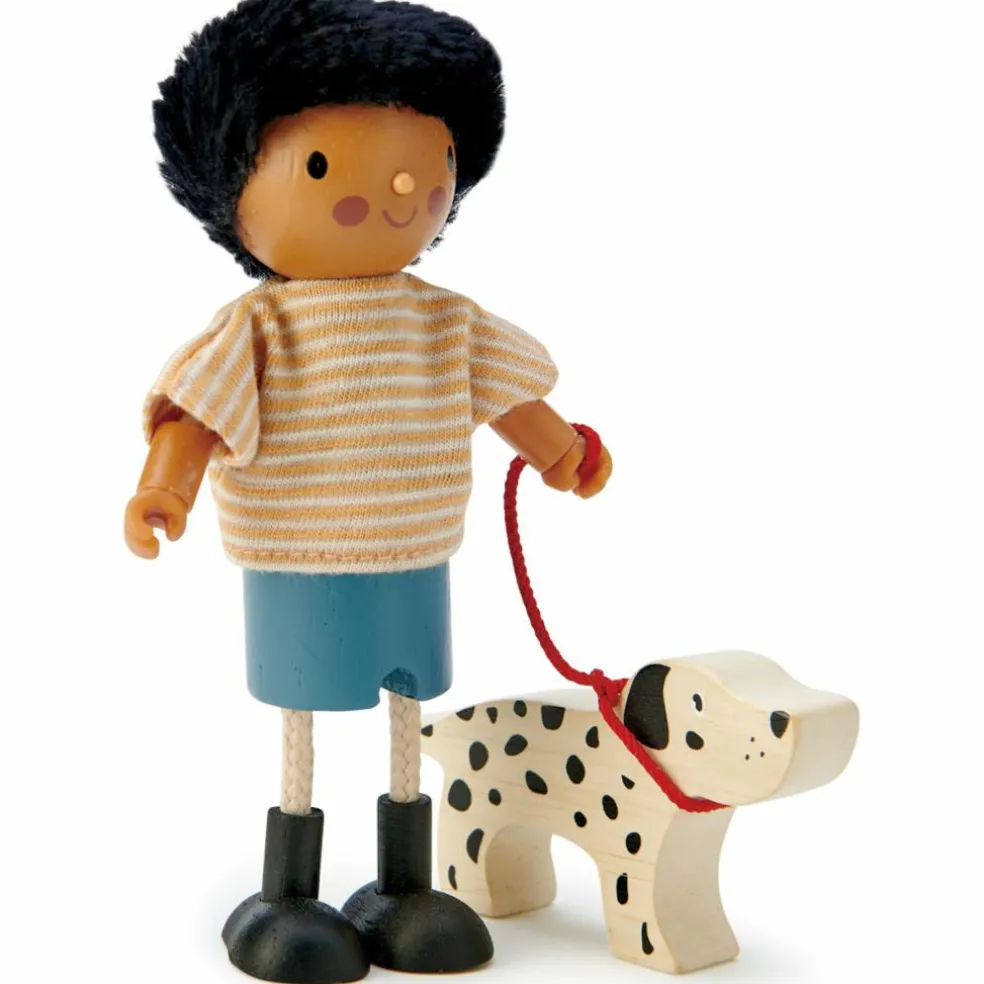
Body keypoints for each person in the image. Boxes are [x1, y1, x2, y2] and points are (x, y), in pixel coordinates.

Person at [124, 1, 612, 980]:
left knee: (405, 713)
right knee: (300, 720)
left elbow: (504, 393)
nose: (394, 193)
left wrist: (559, 452)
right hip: (295, 561)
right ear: (233, 190)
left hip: (414, 555)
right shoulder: (259, 329)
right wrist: (162, 489)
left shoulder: (445, 321)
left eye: (427, 167)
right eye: (320, 166)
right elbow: (198, 413)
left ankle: (404, 887)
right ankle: (288, 897)